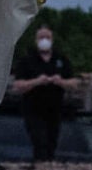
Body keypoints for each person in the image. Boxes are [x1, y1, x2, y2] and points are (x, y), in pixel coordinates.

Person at [8, 25, 80, 162]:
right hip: (33, 109)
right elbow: (17, 85)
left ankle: (49, 169)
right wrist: (37, 81)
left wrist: (60, 82)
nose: (44, 40)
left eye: (47, 37)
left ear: (52, 40)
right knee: (39, 141)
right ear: (36, 40)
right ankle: (40, 167)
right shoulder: (27, 60)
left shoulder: (61, 60)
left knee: (52, 142)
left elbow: (74, 83)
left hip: (55, 109)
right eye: (41, 37)